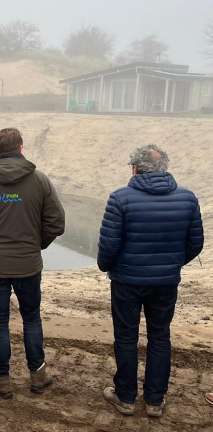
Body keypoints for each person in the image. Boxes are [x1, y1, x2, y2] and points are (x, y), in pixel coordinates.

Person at [0, 127, 65, 399]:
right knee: (31, 318)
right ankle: (38, 376)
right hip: (28, 265)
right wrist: (36, 244)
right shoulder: (40, 180)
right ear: (20, 148)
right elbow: (56, 223)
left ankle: (2, 379)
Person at [98, 144, 204, 418]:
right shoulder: (188, 198)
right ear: (164, 168)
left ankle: (125, 397)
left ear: (135, 168)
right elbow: (195, 244)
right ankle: (155, 401)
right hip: (165, 282)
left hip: (126, 281)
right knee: (160, 336)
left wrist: (106, 267)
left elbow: (108, 247)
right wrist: (171, 264)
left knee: (126, 337)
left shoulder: (121, 198)